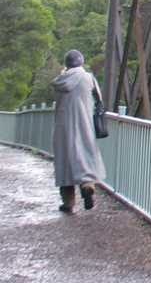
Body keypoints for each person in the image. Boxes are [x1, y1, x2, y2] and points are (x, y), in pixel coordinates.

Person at [51, 49, 107, 213]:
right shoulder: (88, 78)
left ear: (67, 63)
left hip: (63, 126)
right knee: (86, 156)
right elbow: (99, 100)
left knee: (64, 161)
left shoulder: (61, 79)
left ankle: (68, 202)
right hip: (84, 124)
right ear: (81, 62)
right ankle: (87, 184)